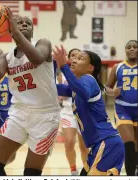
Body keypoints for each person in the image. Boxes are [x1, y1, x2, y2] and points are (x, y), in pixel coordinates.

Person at [0, 7, 60, 176]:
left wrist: (15, 31)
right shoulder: (7, 58)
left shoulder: (43, 43)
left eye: (27, 23)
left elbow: (36, 59)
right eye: (19, 22)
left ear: (32, 29)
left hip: (45, 116)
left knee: (31, 173)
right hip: (18, 113)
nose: (23, 24)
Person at [53, 45, 125, 176]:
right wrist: (53, 64)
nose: (74, 60)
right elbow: (53, 88)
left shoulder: (88, 79)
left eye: (80, 58)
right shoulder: (77, 85)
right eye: (73, 57)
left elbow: (84, 93)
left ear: (90, 68)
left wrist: (64, 66)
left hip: (107, 144)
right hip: (99, 146)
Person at [105, 40, 138, 176]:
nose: (131, 49)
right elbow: (107, 87)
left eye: (135, 47)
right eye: (128, 47)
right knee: (129, 144)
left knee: (136, 146)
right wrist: (112, 92)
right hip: (122, 109)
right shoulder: (117, 67)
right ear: (125, 50)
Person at [58, 48, 89, 175]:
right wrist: (59, 96)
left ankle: (86, 171)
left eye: (78, 56)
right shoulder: (62, 74)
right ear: (69, 58)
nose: (75, 57)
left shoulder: (85, 75)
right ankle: (73, 170)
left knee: (84, 147)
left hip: (82, 112)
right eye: (72, 55)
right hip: (67, 111)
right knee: (69, 142)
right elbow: (59, 94)